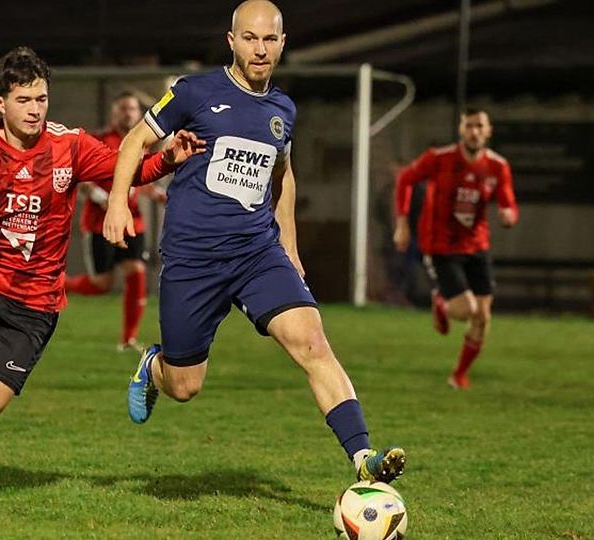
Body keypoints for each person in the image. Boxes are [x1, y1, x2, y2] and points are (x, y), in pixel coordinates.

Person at [0, 46, 204, 500]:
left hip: (34, 305)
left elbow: (128, 171)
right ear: (1, 104)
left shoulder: (69, 146)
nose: (35, 110)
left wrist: (169, 159)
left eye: (41, 99)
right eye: (24, 100)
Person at [103, 0, 405, 484]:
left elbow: (284, 177)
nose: (260, 49)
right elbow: (134, 141)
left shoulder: (283, 108)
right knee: (185, 386)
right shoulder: (194, 92)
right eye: (250, 38)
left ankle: (363, 458)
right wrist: (119, 203)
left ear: (283, 43)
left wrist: (290, 246)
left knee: (312, 341)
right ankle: (154, 364)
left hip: (255, 253)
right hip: (194, 258)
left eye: (269, 39)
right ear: (231, 40)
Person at [393, 108, 518, 389]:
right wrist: (402, 223)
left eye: (479, 126)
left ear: (488, 131)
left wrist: (510, 214)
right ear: (461, 129)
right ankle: (442, 301)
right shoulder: (439, 159)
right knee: (466, 310)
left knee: (483, 317)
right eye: (469, 125)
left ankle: (459, 374)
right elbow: (405, 180)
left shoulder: (498, 166)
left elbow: (508, 202)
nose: (474, 131)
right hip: (441, 246)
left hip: (477, 245)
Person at [65, 91, 167, 352]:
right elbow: (81, 176)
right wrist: (103, 197)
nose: (129, 113)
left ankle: (129, 339)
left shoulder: (142, 142)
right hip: (101, 222)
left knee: (137, 272)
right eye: (123, 108)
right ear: (114, 112)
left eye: (132, 109)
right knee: (102, 284)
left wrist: (158, 196)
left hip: (133, 221)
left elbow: (142, 181)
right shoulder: (99, 140)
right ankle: (55, 284)